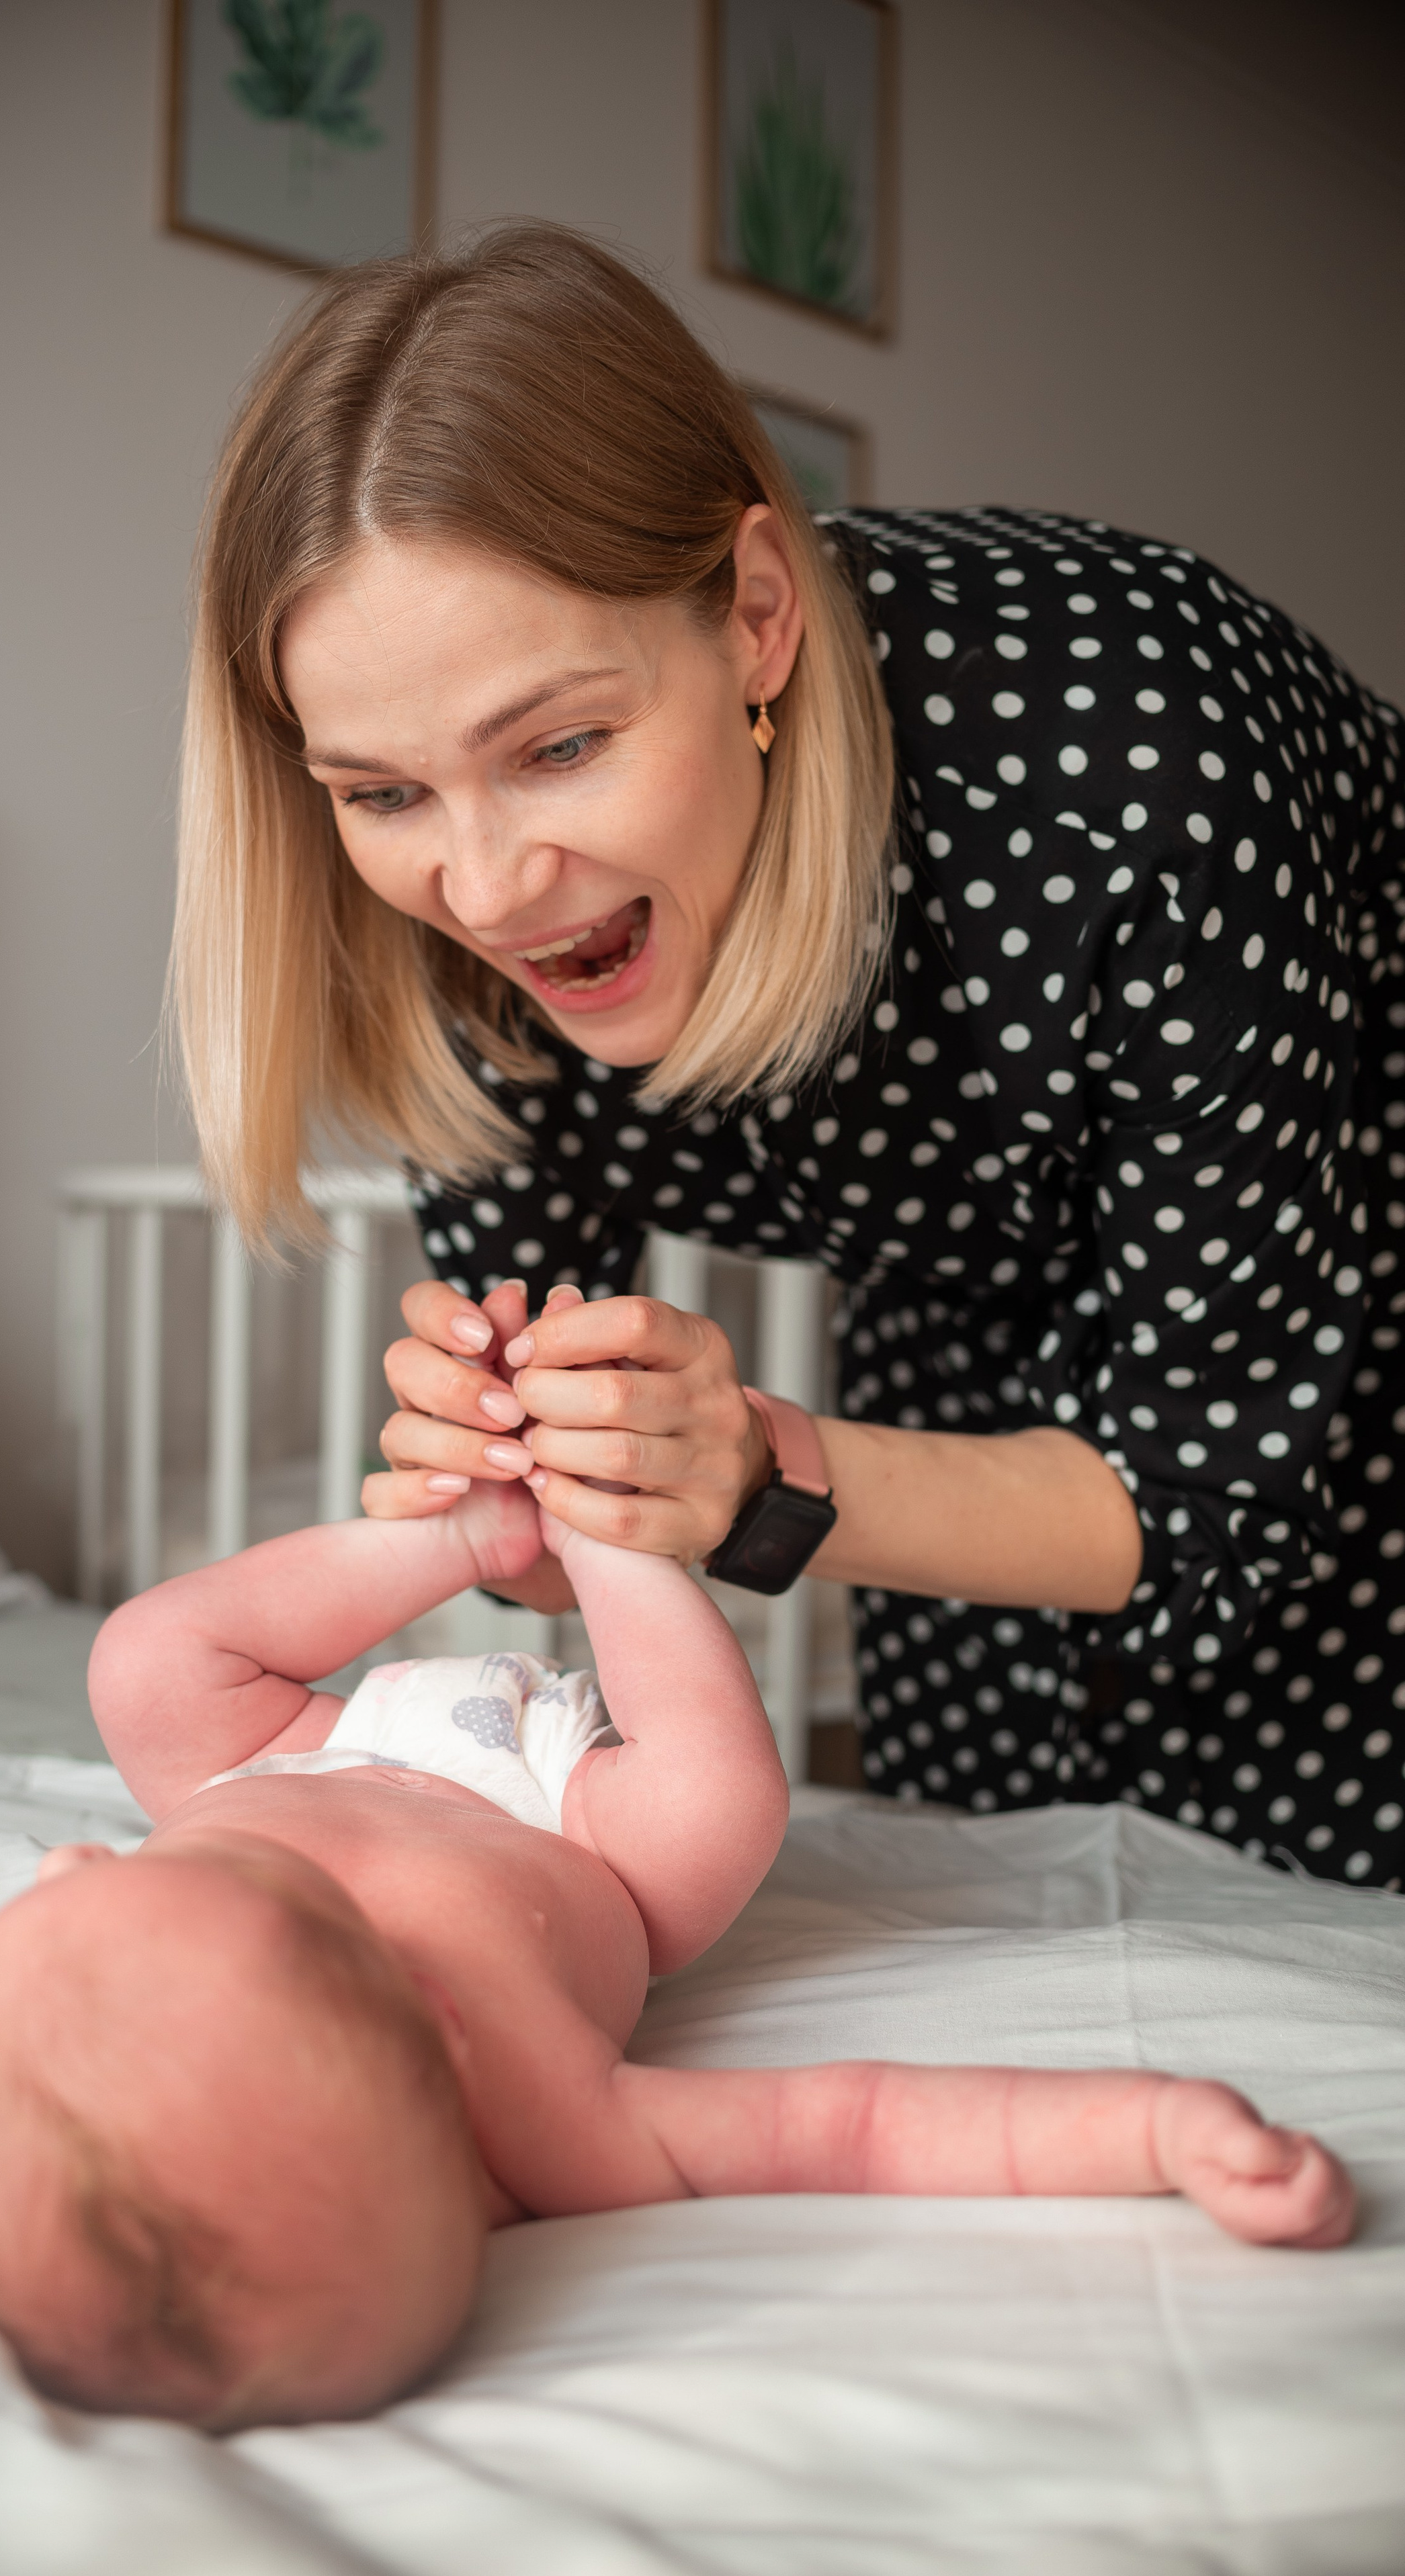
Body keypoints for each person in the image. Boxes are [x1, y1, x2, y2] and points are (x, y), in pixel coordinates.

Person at [170, 220, 1405, 1889]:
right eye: (382, 792)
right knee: (1006, 1892)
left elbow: (1204, 1500)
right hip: (959, 1376)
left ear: (753, 617)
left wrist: (760, 1474)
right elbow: (576, 1499)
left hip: (1346, 1353)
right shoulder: (455, 911)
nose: (479, 886)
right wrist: (543, 1473)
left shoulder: (1148, 777)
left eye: (561, 747)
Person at [0, 1374, 1355, 2430]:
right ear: (435, 2025)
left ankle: (456, 1537)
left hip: (299, 1753)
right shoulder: (557, 2128)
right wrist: (1149, 2135)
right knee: (713, 1810)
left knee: (139, 1666)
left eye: (53, 1907)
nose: (66, 1862)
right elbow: (857, 2124)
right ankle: (614, 1540)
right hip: (562, 1825)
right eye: (106, 1895)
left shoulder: (16, 2058)